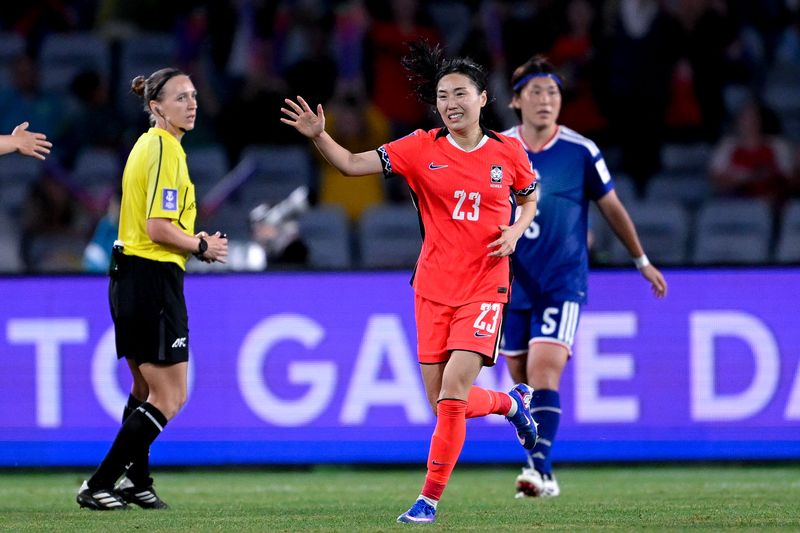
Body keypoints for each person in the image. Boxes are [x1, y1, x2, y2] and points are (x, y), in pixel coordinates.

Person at [282, 40, 540, 524]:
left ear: (483, 98)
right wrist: (320, 136)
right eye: (442, 96)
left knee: (452, 396)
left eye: (460, 93)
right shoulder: (420, 148)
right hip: (432, 290)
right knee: (445, 403)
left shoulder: (509, 152)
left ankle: (428, 501)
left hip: (486, 285)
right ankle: (511, 403)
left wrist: (516, 230)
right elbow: (352, 164)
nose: (450, 103)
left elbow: (529, 196)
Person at [499, 56, 668, 499]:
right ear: (516, 101)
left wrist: (641, 259)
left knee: (543, 372)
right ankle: (546, 470)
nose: (546, 100)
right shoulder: (496, 148)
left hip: (562, 280)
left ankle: (534, 471)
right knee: (522, 385)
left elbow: (612, 207)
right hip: (508, 283)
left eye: (553, 93)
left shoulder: (580, 150)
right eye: (535, 92)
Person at [76, 68, 228, 510]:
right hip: (150, 277)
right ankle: (100, 483)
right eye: (181, 97)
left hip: (131, 275)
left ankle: (136, 481)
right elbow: (159, 227)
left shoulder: (152, 145)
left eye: (194, 95)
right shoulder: (163, 148)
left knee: (145, 390)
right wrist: (201, 243)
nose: (192, 103)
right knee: (171, 395)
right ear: (156, 107)